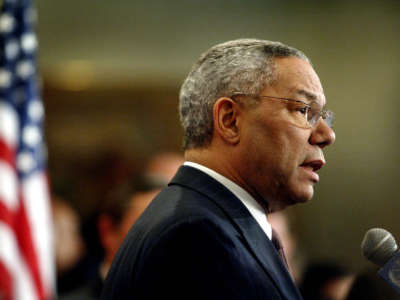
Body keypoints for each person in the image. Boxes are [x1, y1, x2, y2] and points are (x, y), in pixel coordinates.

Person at [101, 38, 336, 299]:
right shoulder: (195, 236)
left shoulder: (212, 222)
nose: (326, 135)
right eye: (304, 110)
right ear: (230, 120)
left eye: (323, 116)